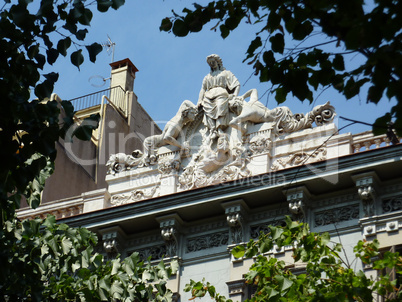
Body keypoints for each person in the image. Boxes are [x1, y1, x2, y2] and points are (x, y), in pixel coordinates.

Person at [197, 54, 240, 140]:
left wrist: (235, 96)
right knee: (207, 110)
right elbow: (202, 89)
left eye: (213, 61)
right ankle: (213, 130)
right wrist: (199, 100)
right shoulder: (207, 77)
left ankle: (220, 128)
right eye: (210, 63)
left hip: (221, 93)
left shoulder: (226, 73)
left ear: (218, 62)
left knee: (220, 107)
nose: (212, 64)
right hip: (208, 96)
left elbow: (237, 84)